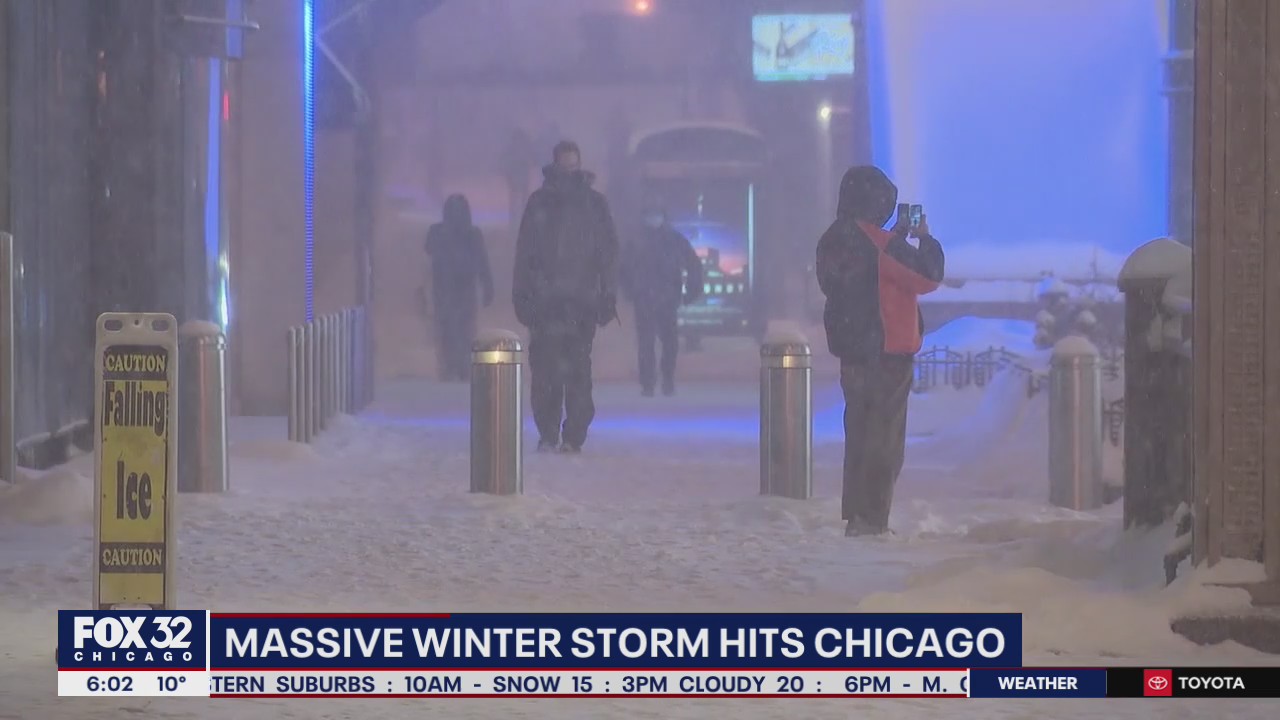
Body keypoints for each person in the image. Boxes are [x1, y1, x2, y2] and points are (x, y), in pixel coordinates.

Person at [816, 166, 945, 537]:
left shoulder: (833, 239)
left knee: (858, 431)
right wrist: (925, 238)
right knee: (884, 439)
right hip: (887, 351)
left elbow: (864, 275)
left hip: (852, 350)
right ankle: (873, 518)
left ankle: (857, 512)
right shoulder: (881, 244)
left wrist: (894, 239)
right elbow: (927, 275)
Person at [512, 141, 620, 453]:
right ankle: (550, 432)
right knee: (546, 371)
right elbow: (526, 252)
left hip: (579, 302)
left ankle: (572, 434)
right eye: (565, 166)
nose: (569, 172)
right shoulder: (541, 203)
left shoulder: (593, 205)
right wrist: (523, 294)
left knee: (576, 371)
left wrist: (607, 293)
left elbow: (607, 253)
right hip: (547, 302)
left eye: (573, 166)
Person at [621, 204, 703, 396]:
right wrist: (630, 290)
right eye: (650, 214)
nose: (653, 219)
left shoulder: (673, 240)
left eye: (655, 214)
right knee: (646, 343)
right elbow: (622, 269)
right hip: (645, 298)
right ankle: (648, 383)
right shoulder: (636, 240)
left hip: (667, 297)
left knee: (669, 342)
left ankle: (667, 380)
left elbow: (693, 264)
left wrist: (692, 291)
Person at [425, 194, 494, 381]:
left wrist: (487, 286)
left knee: (454, 328)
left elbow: (428, 253)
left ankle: (455, 365)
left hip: (451, 290)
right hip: (454, 290)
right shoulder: (469, 234)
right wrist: (487, 286)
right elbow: (483, 263)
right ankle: (456, 365)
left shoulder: (441, 233)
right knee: (456, 328)